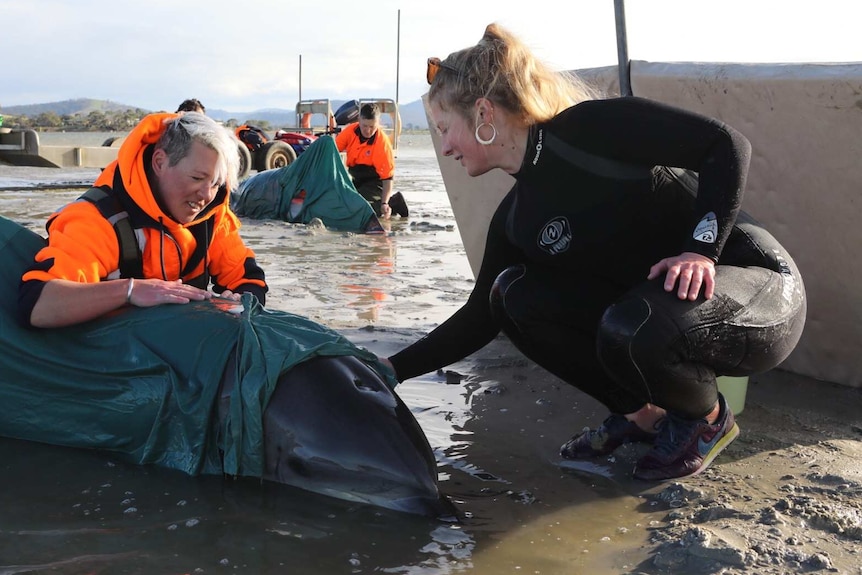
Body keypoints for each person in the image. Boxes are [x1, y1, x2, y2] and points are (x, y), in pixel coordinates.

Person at [382, 23, 806, 481]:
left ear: (484, 113)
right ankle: (641, 416)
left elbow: (724, 145)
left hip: (759, 286)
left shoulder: (590, 130)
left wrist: (699, 250)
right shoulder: (517, 216)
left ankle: (706, 419)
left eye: (446, 129)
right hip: (668, 310)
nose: (444, 147)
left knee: (634, 323)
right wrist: (391, 368)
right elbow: (480, 316)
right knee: (512, 295)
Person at [18, 111, 268, 329]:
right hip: (111, 360)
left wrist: (241, 302)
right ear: (160, 162)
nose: (206, 195)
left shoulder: (213, 216)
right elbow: (39, 304)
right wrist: (130, 291)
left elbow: (248, 279)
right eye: (196, 178)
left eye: (215, 183)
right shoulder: (98, 220)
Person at [335, 103, 408, 219]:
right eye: (364, 126)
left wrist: (384, 203)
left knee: (357, 207)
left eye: (372, 127)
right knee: (342, 202)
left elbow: (387, 180)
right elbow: (333, 150)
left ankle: (394, 202)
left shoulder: (382, 144)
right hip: (356, 177)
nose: (368, 131)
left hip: (376, 182)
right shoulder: (350, 131)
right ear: (359, 120)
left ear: (378, 124)